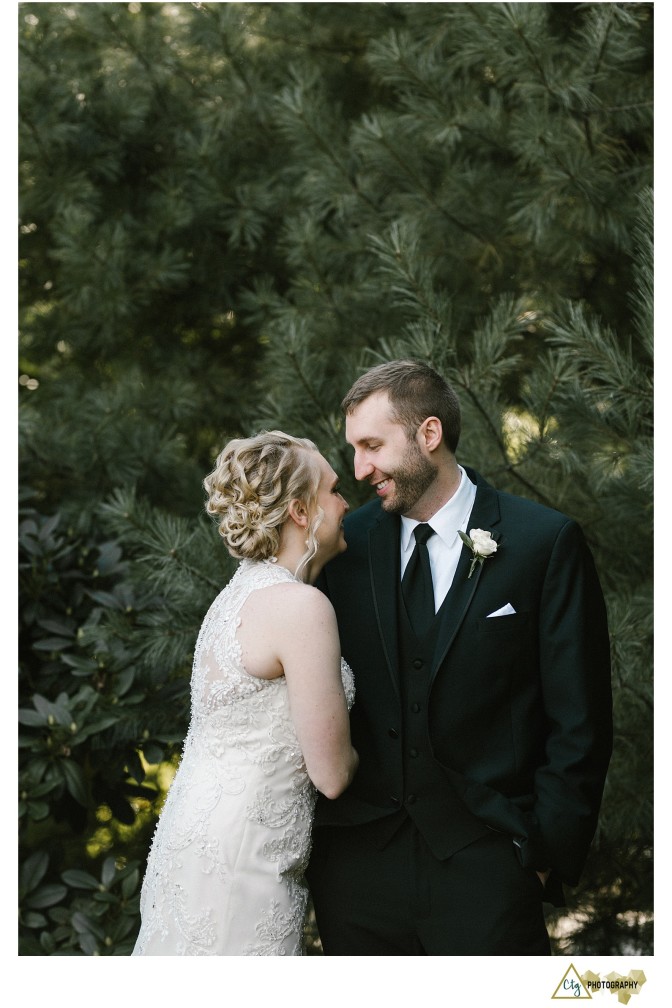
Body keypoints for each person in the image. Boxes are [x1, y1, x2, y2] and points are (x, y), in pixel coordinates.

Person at [306, 359, 612, 956]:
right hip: (357, 875)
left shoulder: (542, 542)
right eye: (353, 449)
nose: (359, 468)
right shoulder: (342, 549)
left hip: (490, 868)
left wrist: (541, 857)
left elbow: (580, 719)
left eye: (372, 445)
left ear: (429, 434)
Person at [132, 430, 357, 956]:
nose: (346, 503)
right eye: (334, 490)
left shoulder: (233, 598)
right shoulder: (299, 606)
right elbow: (332, 775)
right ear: (302, 512)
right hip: (244, 864)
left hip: (192, 843)